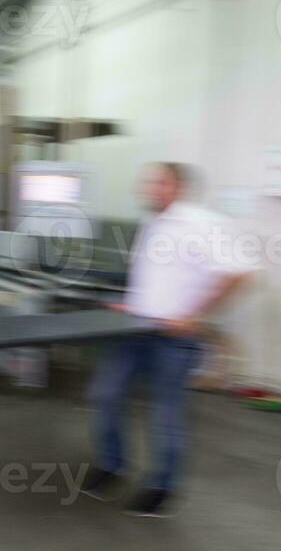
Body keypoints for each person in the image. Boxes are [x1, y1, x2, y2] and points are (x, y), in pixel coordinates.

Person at [81, 162, 256, 518]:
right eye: (147, 182)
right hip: (134, 328)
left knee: (165, 414)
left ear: (177, 187)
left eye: (156, 183)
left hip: (174, 340)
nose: (146, 188)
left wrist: (195, 316)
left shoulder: (203, 223)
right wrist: (128, 304)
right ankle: (113, 465)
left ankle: (163, 487)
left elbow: (241, 273)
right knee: (105, 395)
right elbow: (156, 279)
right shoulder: (152, 223)